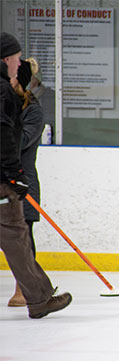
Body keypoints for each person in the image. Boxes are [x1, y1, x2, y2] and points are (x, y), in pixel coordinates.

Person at [1, 31, 72, 318]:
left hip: (17, 181)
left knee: (21, 236)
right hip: (9, 180)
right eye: (17, 62)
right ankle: (38, 297)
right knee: (17, 238)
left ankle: (32, 294)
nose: (19, 69)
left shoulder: (28, 107)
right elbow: (10, 139)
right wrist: (14, 174)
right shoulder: (4, 92)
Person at [7, 57, 45, 306]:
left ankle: (25, 289)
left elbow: (19, 144)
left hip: (22, 182)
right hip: (4, 178)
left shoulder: (34, 109)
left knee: (23, 238)